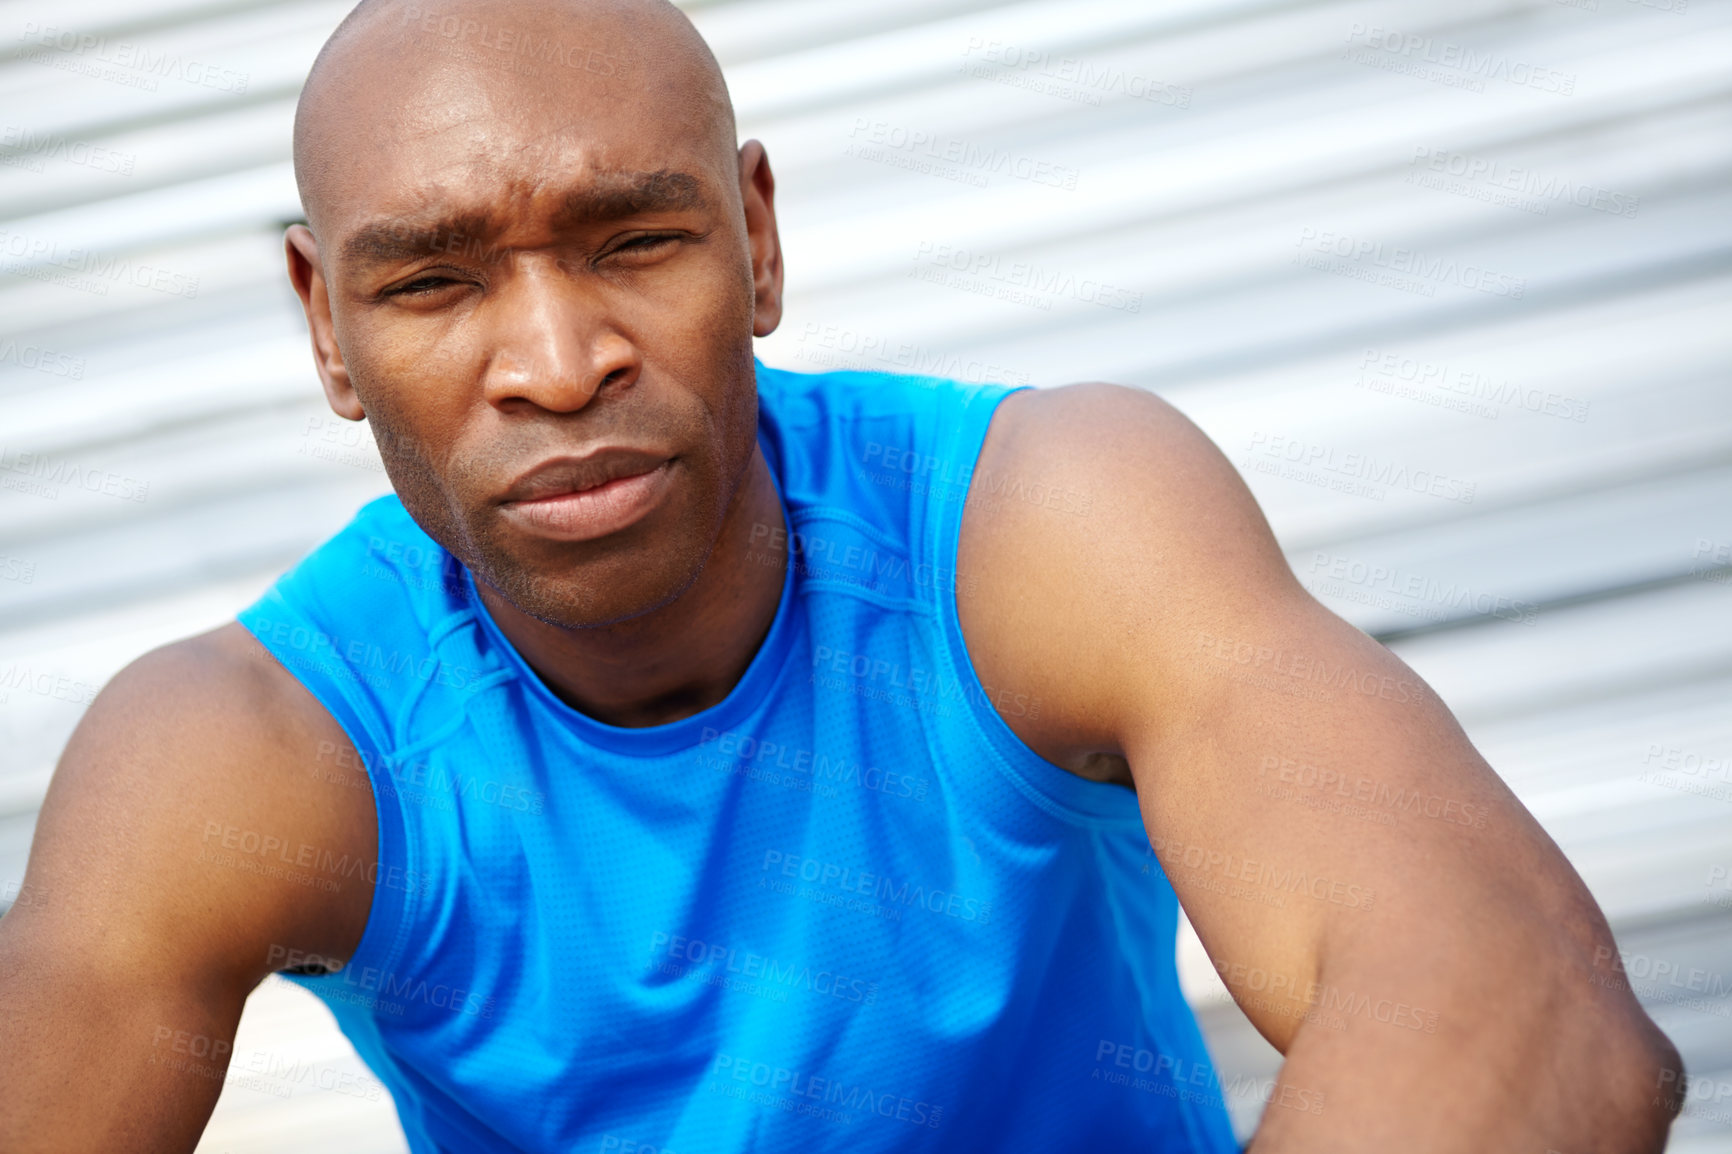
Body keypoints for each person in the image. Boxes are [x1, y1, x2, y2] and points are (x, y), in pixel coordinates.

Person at [0, 0, 1683, 1150]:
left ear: (759, 239)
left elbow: (1522, 999)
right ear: (327, 327)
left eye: (634, 241)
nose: (557, 359)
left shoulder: (1042, 525)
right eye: (436, 284)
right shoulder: (248, 750)